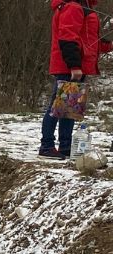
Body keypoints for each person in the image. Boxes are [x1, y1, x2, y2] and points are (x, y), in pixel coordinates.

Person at [41, 0, 105, 159]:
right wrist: (74, 66)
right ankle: (47, 146)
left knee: (70, 108)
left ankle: (65, 146)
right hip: (68, 67)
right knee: (56, 107)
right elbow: (67, 38)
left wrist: (109, 45)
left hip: (76, 65)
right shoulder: (73, 7)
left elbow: (89, 41)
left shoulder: (82, 6)